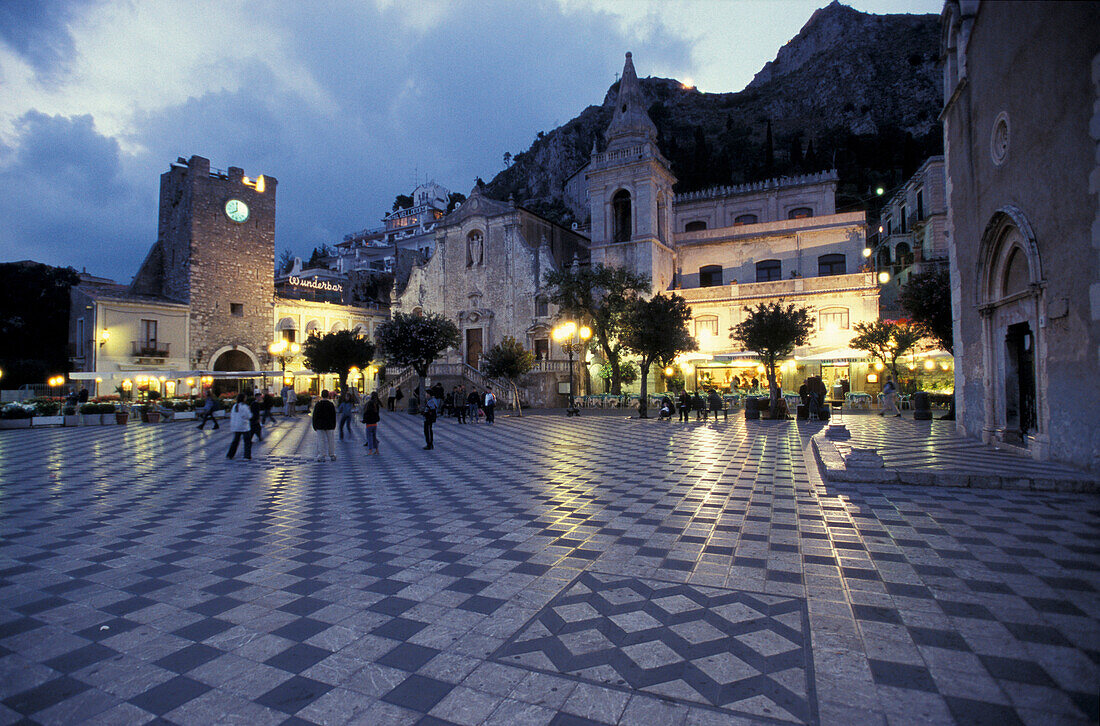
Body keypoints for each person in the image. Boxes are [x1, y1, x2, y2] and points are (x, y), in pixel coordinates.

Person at [312, 390, 337, 461]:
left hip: (320, 425)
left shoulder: (318, 404)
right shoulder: (331, 404)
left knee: (321, 440)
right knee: (331, 440)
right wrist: (334, 425)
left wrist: (314, 425)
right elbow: (333, 416)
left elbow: (315, 416)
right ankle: (332, 454)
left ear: (321, 396)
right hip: (329, 425)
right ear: (328, 396)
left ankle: (321, 455)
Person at [226, 393, 252, 460]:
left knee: (235, 441)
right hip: (244, 426)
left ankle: (230, 454)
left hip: (236, 426)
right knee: (247, 441)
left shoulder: (235, 406)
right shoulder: (244, 406)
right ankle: (247, 456)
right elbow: (248, 416)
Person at [362, 390, 382, 455]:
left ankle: (370, 451)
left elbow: (366, 413)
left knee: (369, 438)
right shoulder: (376, 404)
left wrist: (364, 420)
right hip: (375, 423)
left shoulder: (369, 404)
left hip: (369, 424)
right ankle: (377, 450)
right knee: (374, 437)